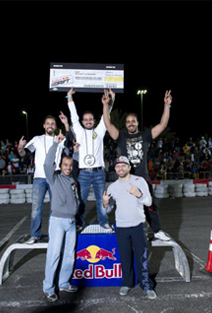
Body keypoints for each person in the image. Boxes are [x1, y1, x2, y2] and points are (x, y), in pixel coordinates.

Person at [102, 89, 171, 241]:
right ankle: (137, 230)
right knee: (128, 206)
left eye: (133, 121)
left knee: (150, 205)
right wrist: (106, 105)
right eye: (128, 121)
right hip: (126, 178)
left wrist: (167, 106)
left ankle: (157, 230)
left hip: (142, 177)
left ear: (137, 123)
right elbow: (107, 124)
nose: (131, 123)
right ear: (126, 125)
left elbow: (163, 124)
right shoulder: (121, 136)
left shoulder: (145, 135)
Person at [102, 156, 156, 299]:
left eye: (123, 166)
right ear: (115, 169)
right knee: (125, 257)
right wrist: (105, 203)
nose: (121, 168)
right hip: (121, 226)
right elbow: (108, 210)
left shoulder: (139, 181)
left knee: (142, 257)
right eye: (118, 166)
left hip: (138, 225)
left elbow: (149, 201)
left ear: (129, 167)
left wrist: (138, 194)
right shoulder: (112, 187)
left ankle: (147, 285)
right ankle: (127, 283)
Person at [66, 87, 113, 231]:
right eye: (85, 119)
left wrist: (110, 101)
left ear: (94, 120)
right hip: (83, 173)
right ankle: (79, 222)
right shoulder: (79, 131)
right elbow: (73, 116)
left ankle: (103, 222)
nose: (88, 121)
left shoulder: (99, 131)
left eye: (90, 119)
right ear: (82, 121)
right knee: (81, 200)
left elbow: (107, 116)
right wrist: (69, 97)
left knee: (101, 200)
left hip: (99, 172)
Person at [42, 132, 79, 302]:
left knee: (69, 255)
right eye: (65, 164)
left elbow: (76, 165)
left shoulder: (72, 179)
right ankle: (49, 288)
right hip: (57, 221)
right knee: (54, 254)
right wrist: (56, 144)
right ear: (60, 165)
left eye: (70, 165)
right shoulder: (54, 178)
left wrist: (76, 152)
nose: (68, 167)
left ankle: (63, 283)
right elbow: (47, 163)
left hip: (71, 222)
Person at [17, 115, 62, 244]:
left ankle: (53, 234)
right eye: (48, 123)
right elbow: (24, 153)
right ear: (44, 126)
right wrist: (20, 148)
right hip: (39, 178)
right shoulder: (37, 139)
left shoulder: (60, 139)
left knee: (55, 208)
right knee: (36, 208)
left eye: (52, 123)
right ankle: (35, 235)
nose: (50, 125)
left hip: (55, 177)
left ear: (55, 126)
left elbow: (70, 148)